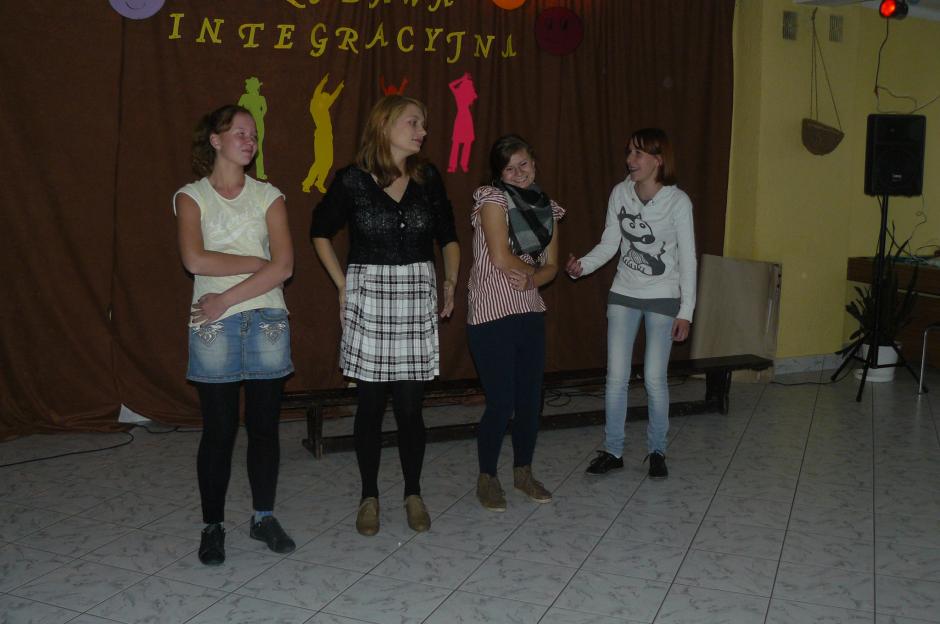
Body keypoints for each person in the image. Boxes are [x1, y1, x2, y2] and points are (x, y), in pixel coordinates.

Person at [311, 95, 460, 536]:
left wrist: (450, 282)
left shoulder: (427, 178)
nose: (422, 131)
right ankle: (369, 496)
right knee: (371, 406)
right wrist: (343, 285)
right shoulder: (352, 180)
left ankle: (413, 493)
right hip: (369, 295)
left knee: (411, 408)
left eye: (423, 124)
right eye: (413, 122)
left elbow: (449, 236)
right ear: (385, 125)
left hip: (416, 293)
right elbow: (319, 230)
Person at [174, 105, 296, 565]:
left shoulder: (269, 196)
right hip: (213, 327)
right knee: (219, 430)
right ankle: (213, 526)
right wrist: (257, 263)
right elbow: (195, 259)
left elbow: (285, 267)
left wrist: (225, 298)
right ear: (215, 140)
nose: (250, 140)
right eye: (240, 132)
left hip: (265, 319)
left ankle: (263, 517)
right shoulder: (192, 197)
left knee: (264, 428)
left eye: (253, 134)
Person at [566, 128, 696, 480]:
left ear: (658, 160)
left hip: (663, 296)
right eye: (629, 152)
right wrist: (582, 267)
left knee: (654, 378)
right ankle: (613, 450)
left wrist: (686, 311)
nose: (629, 160)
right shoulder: (620, 193)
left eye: (638, 153)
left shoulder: (678, 202)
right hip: (623, 292)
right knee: (616, 378)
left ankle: (657, 450)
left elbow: (688, 260)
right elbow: (610, 243)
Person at [467, 134, 564, 511]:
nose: (519, 172)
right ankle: (487, 477)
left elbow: (552, 266)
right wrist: (533, 273)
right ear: (499, 174)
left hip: (529, 310)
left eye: (523, 164)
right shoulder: (492, 199)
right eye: (509, 168)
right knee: (501, 401)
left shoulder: (548, 208)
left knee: (529, 400)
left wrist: (534, 279)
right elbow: (500, 256)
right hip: (491, 312)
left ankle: (523, 471)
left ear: (534, 164)